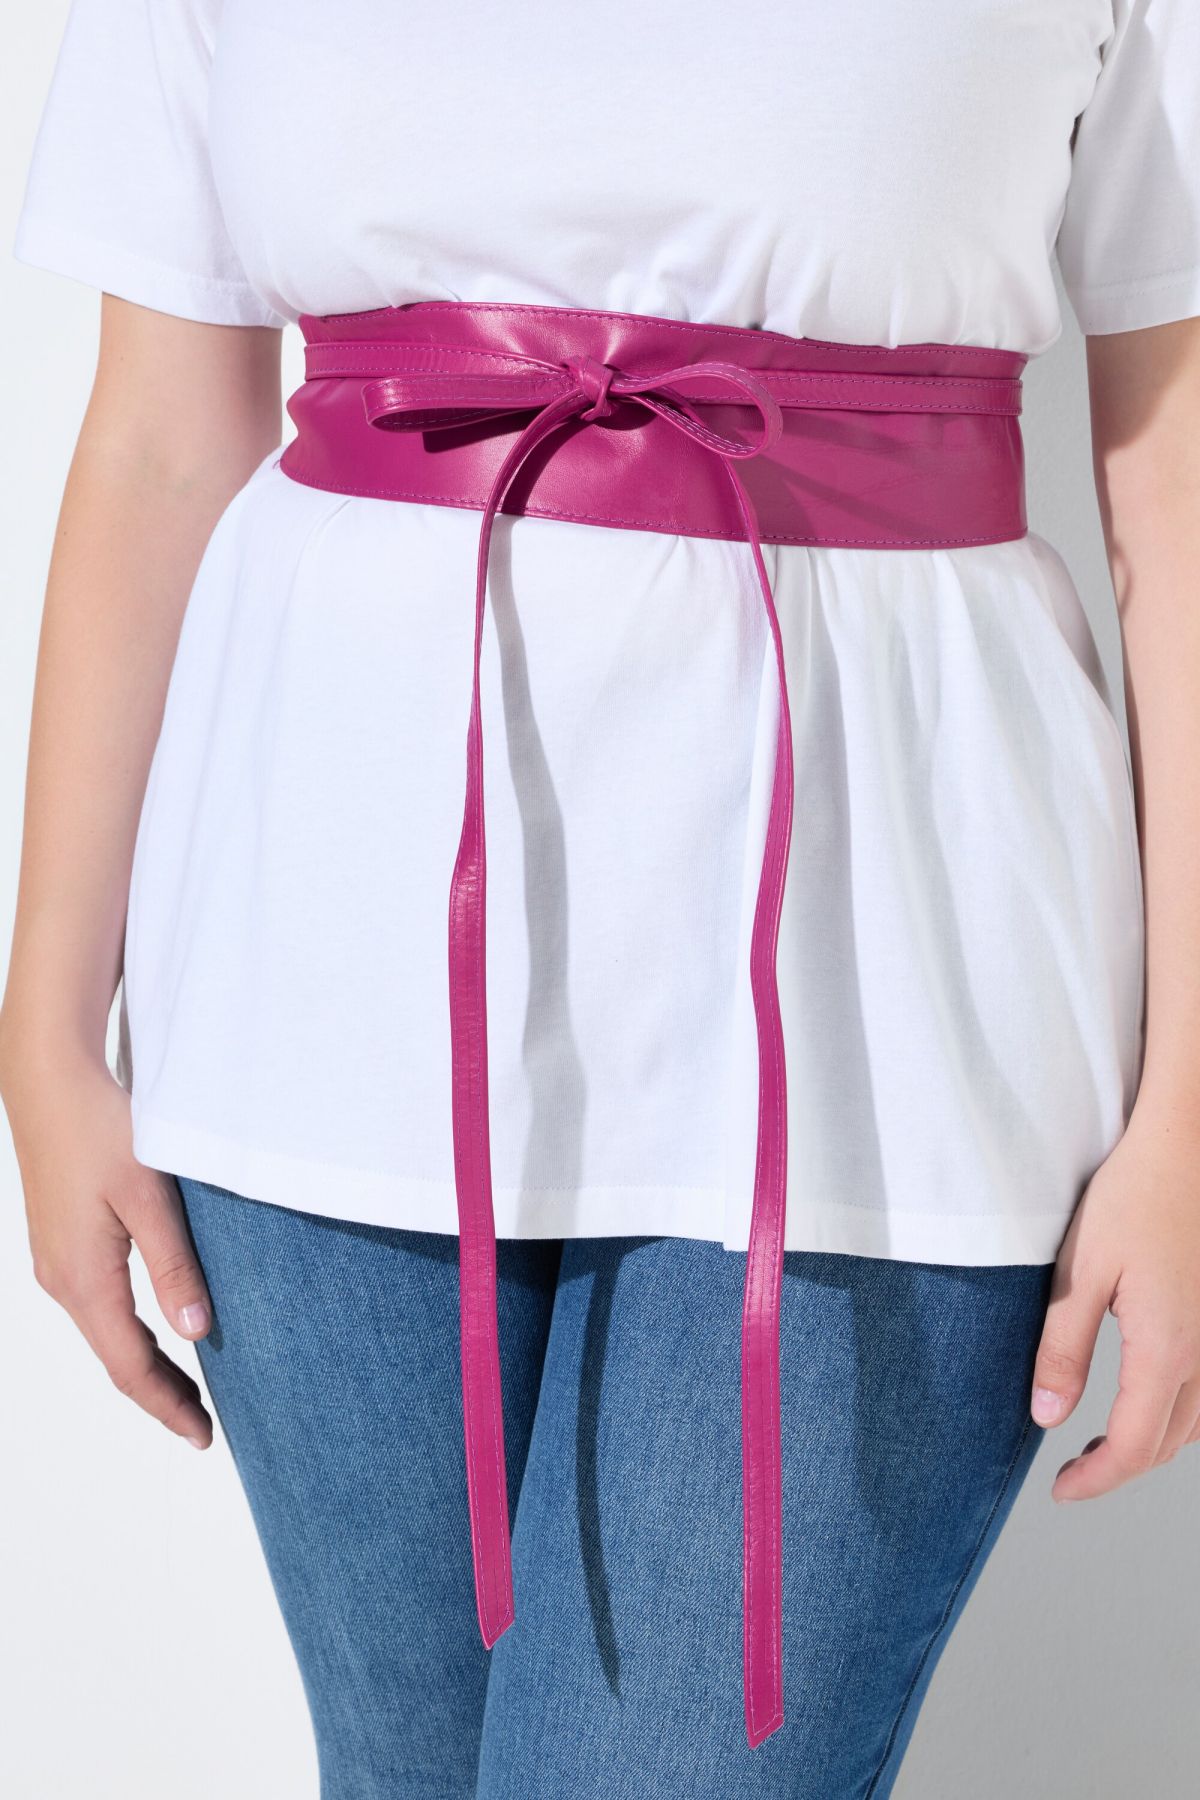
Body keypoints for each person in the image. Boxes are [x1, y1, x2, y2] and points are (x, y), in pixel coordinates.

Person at [2, 1, 1199, 1794]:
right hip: (316, 994)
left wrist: (1192, 1101)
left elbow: (1176, 470)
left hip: (886, 1000)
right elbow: (162, 439)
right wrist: (42, 1031)